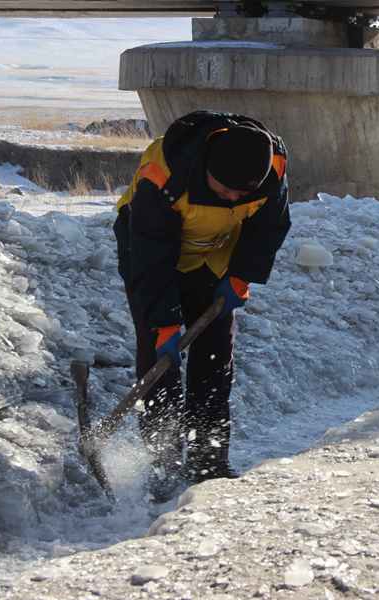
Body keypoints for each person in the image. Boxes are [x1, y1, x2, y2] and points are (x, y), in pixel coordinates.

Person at [113, 110, 291, 500]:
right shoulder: (164, 176)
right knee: (158, 360)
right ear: (207, 167)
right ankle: (163, 464)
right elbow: (151, 258)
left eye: (241, 195)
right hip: (149, 248)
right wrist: (163, 323)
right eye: (225, 190)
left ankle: (207, 460)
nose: (233, 199)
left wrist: (241, 276)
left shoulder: (271, 169)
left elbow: (268, 227)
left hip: (213, 256)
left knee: (214, 355)